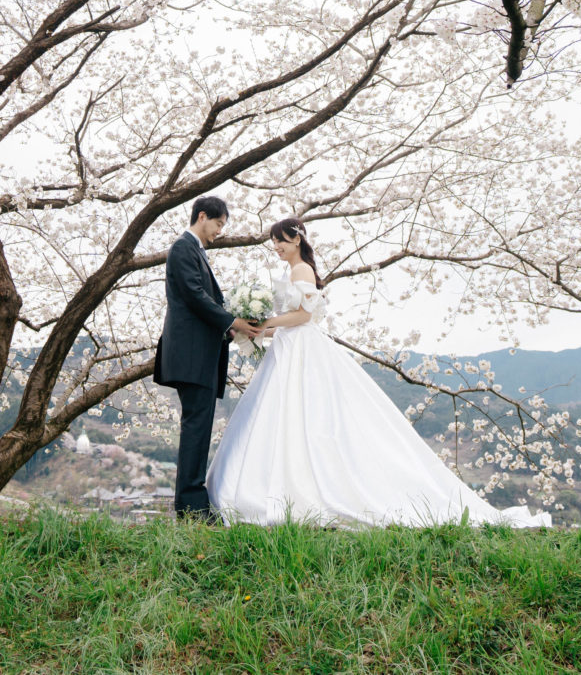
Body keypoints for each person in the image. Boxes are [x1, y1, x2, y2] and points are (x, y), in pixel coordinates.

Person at [209, 217, 552, 528]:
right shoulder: (292, 272)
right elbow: (291, 319)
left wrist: (265, 323)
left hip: (300, 347)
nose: (277, 247)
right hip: (289, 345)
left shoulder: (301, 271)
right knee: (286, 414)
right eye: (273, 242)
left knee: (298, 412)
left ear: (296, 240)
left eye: (281, 240)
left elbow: (302, 316)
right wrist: (254, 331)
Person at [154, 194, 262, 520]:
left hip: (200, 356)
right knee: (196, 429)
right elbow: (196, 296)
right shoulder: (183, 249)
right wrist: (232, 321)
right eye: (218, 224)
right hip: (191, 357)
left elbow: (202, 301)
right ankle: (192, 508)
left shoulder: (194, 251)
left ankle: (194, 505)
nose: (219, 231)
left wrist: (232, 329)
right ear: (202, 216)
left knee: (198, 430)